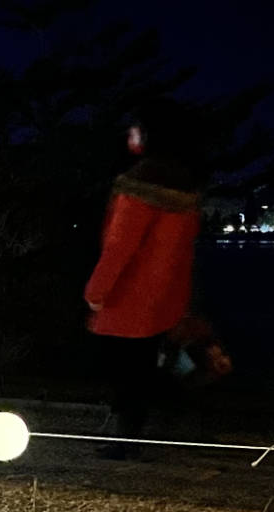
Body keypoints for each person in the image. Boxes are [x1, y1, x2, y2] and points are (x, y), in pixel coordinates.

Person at [82, 102, 205, 456]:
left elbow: (119, 246)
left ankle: (127, 437)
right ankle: (150, 426)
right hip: (166, 298)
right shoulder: (184, 188)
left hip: (127, 298)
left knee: (123, 370)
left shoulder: (139, 186)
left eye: (136, 131)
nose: (129, 136)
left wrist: (96, 290)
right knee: (146, 365)